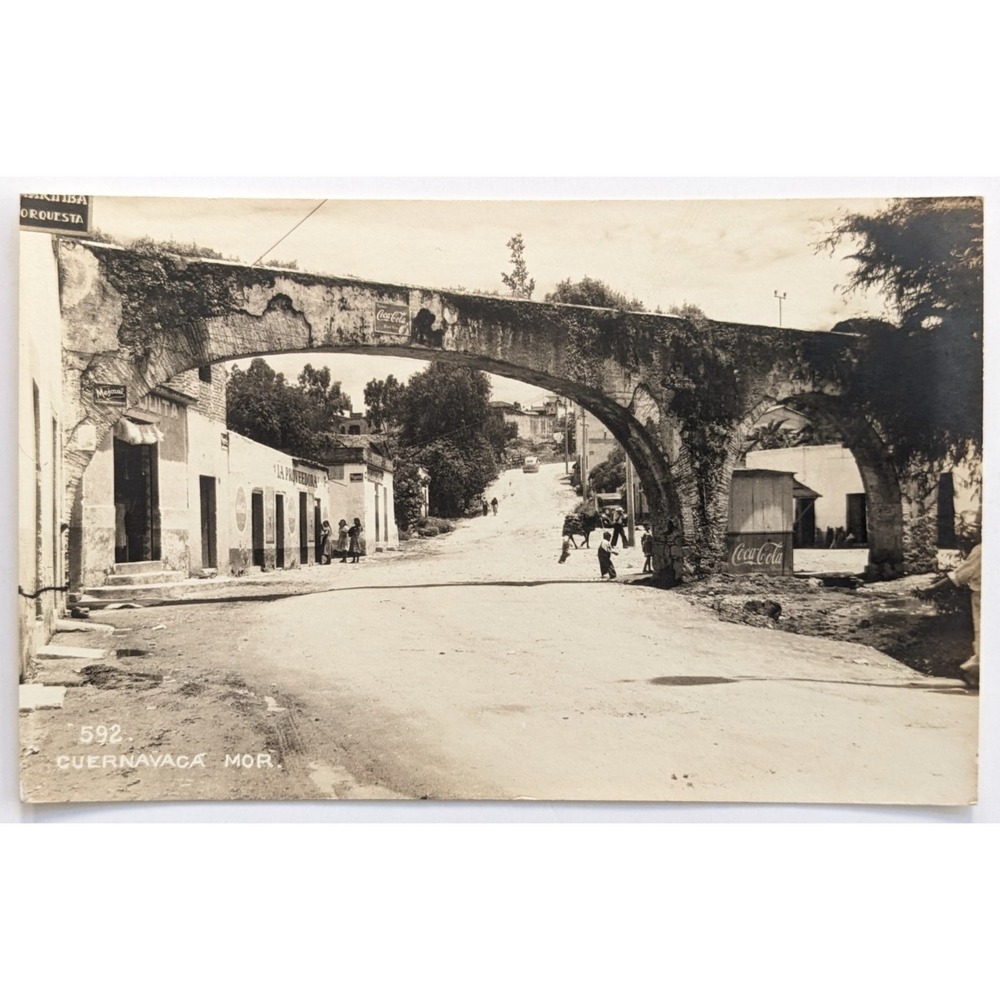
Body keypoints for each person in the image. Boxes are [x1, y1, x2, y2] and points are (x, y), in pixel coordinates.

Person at [916, 510, 982, 689]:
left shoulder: (981, 550)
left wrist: (932, 589)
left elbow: (959, 576)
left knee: (982, 636)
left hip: (983, 599)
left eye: (974, 530)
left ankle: (974, 672)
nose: (969, 534)